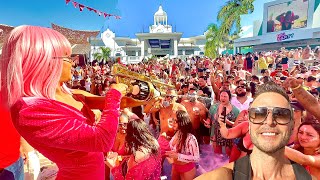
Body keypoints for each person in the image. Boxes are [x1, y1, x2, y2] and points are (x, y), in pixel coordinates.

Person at [0, 25, 128, 180]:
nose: (73, 62)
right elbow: (102, 140)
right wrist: (114, 95)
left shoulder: (54, 96)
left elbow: (93, 101)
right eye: (67, 57)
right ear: (44, 61)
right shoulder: (29, 111)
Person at [196, 82, 312, 179]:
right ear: (249, 120)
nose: (269, 121)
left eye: (280, 114)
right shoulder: (223, 176)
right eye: (259, 113)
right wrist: (222, 124)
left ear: (292, 123)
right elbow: (228, 133)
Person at [166, 110, 200, 180]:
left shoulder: (191, 138)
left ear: (182, 122)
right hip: (175, 166)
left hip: (187, 169)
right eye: (173, 120)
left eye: (176, 121)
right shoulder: (177, 133)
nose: (173, 123)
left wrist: (178, 156)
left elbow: (196, 158)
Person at [206, 90, 240, 155]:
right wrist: (208, 123)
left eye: (225, 96)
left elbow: (238, 126)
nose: (222, 98)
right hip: (215, 137)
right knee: (216, 156)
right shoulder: (214, 107)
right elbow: (209, 118)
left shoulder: (236, 110)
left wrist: (227, 121)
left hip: (228, 138)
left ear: (229, 98)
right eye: (221, 96)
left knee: (227, 157)